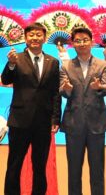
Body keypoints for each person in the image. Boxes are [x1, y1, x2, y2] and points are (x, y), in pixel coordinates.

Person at [1, 22, 61, 195]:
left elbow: (55, 92)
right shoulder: (16, 58)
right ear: (26, 38)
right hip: (20, 120)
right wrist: (10, 64)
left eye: (38, 34)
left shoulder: (53, 62)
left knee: (40, 166)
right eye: (31, 35)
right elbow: (5, 80)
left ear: (44, 37)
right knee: (14, 164)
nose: (35, 38)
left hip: (43, 121)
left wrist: (56, 118)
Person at [59, 27, 106, 195]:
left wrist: (100, 87)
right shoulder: (66, 66)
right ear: (73, 44)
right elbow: (63, 91)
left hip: (97, 123)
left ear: (91, 41)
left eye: (85, 40)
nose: (81, 43)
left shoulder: (103, 65)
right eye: (77, 40)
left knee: (97, 170)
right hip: (73, 124)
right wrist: (66, 89)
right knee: (74, 171)